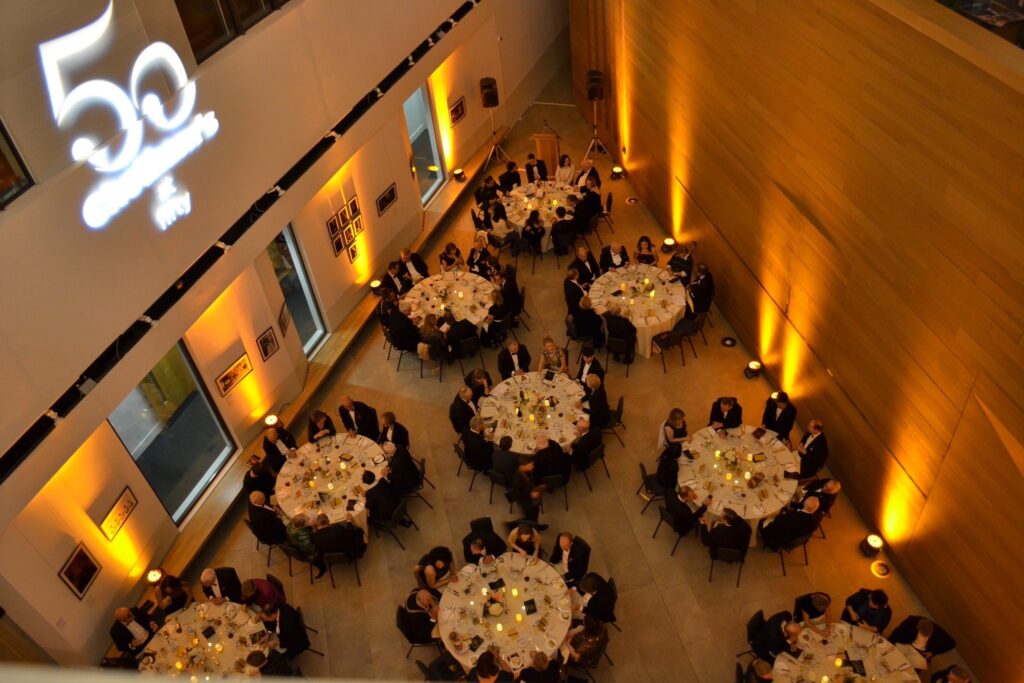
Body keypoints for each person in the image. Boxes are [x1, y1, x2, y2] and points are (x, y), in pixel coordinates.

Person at [888, 615, 956, 662]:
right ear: (918, 629)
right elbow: (896, 633)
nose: (923, 639)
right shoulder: (911, 622)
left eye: (926, 637)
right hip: (906, 645)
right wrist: (889, 644)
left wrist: (933, 652)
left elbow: (952, 644)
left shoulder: (938, 634)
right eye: (922, 635)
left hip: (921, 653)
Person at [507, 457, 543, 523]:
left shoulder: (527, 471)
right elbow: (518, 494)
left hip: (531, 497)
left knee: (534, 515)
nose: (532, 467)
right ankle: (512, 525)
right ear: (522, 466)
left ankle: (536, 525)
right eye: (530, 465)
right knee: (529, 517)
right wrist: (531, 495)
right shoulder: (517, 480)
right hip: (525, 501)